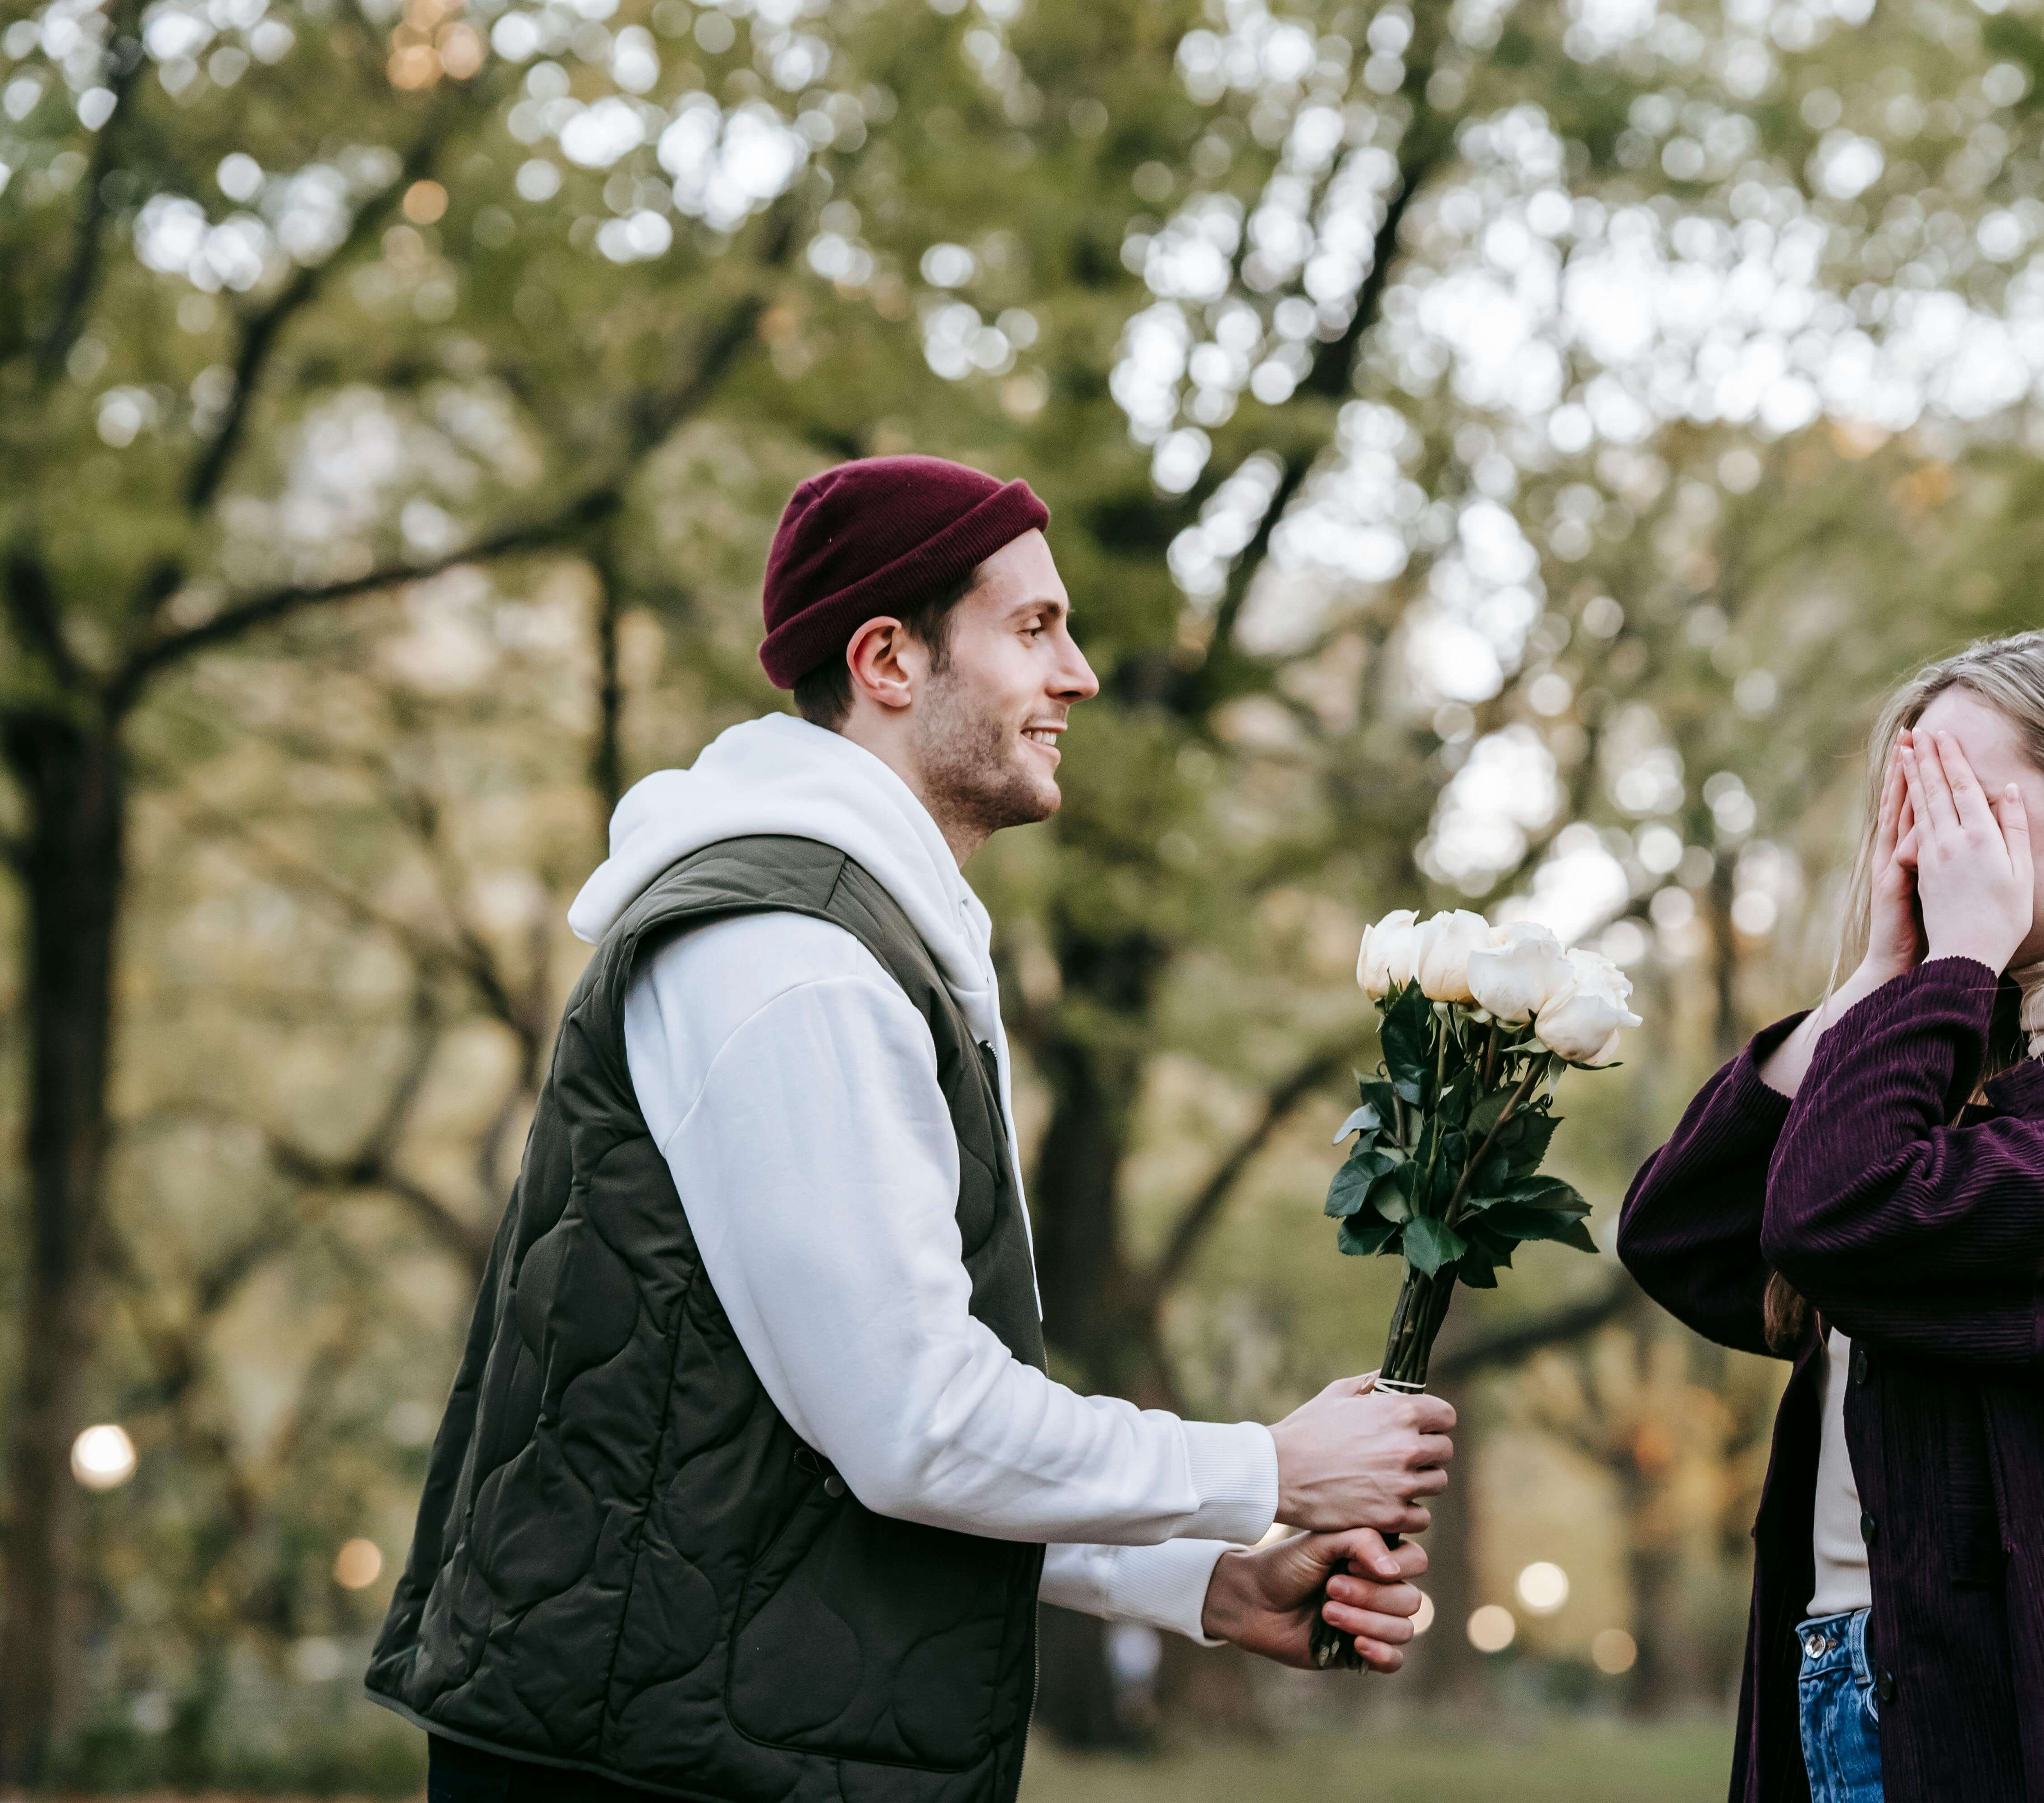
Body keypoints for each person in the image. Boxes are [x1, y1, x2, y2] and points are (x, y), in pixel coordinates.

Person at [367, 456, 1451, 1803]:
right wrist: (1268, 1468)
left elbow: (847, 1440)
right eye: (1034, 629)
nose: (1082, 677)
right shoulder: (794, 955)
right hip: (657, 1765)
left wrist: (1210, 1587)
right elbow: (914, 1424)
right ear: (887, 659)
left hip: (720, 1741)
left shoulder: (862, 934)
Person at [1618, 628, 2044, 1803]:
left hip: (2025, 1736)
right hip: (1835, 1684)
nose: (1930, 850)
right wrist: (1880, 978)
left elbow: (1843, 1219)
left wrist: (1956, 965)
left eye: (1965, 806)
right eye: (1910, 814)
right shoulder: (1945, 1077)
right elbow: (1681, 1237)